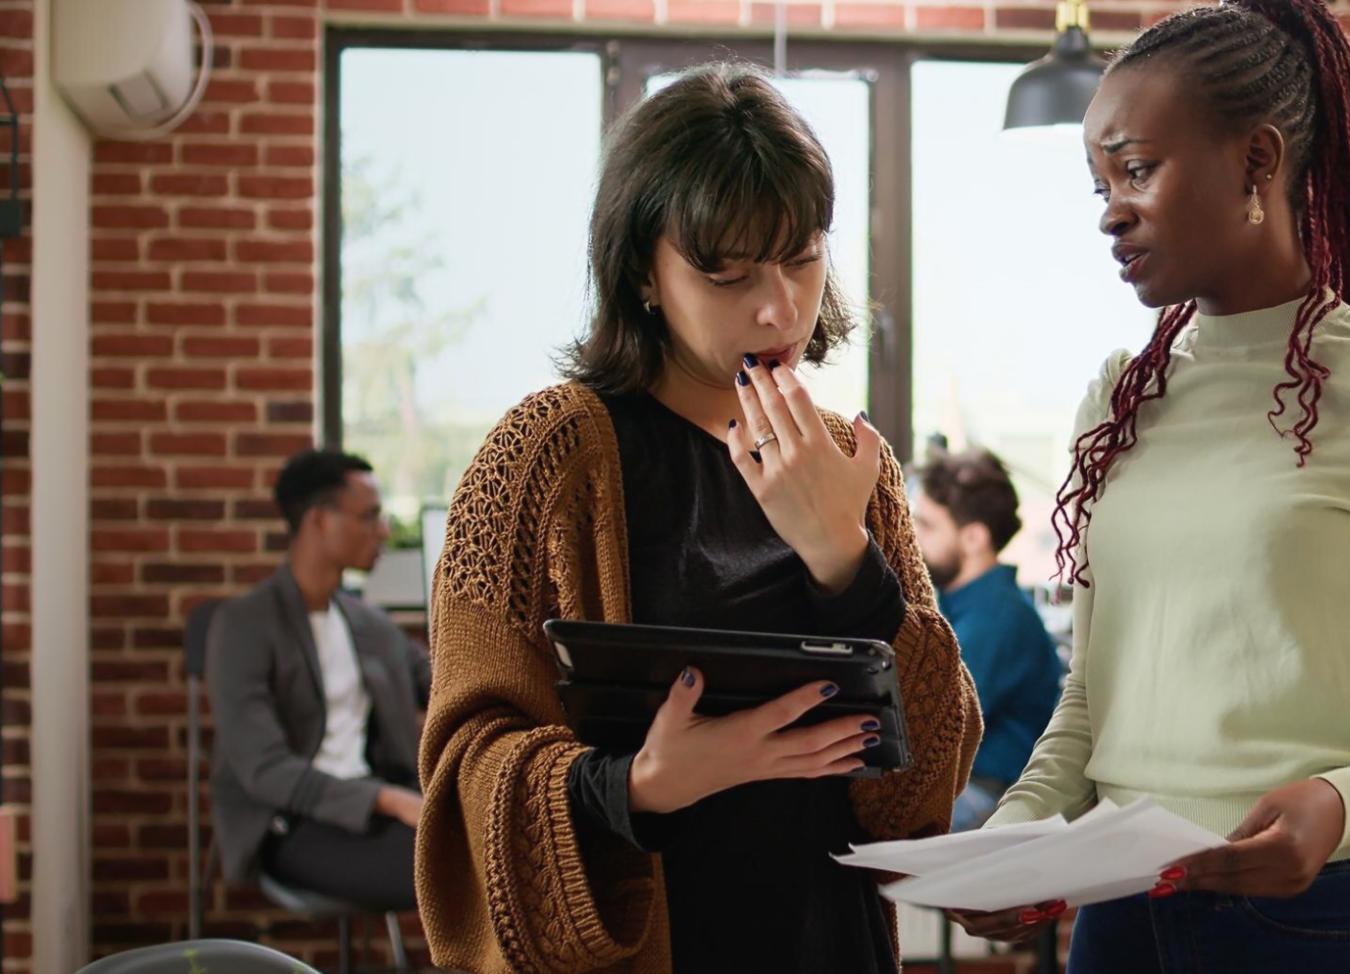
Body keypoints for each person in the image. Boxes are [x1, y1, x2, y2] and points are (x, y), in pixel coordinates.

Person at [947, 1, 1350, 969]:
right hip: (1120, 921)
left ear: (1257, 161)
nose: (1110, 209)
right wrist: (1017, 834)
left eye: (1137, 169)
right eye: (1098, 182)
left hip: (1325, 922)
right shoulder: (1117, 399)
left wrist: (1344, 800)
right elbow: (1093, 701)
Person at [414, 63, 980, 974]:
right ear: (644, 270)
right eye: (728, 274)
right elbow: (462, 778)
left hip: (828, 940)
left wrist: (844, 554)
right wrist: (636, 786)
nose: (779, 306)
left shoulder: (850, 463)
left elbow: (924, 787)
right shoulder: (543, 458)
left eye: (802, 257)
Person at [207, 449, 430, 910]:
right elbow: (265, 770)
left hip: (380, 811)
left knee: (495, 853)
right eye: (369, 516)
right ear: (319, 521)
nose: (384, 530)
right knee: (455, 871)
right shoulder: (244, 625)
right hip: (295, 823)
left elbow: (442, 681)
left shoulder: (368, 624)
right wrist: (389, 800)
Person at [912, 448, 1066, 832]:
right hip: (965, 783)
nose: (913, 535)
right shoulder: (955, 601)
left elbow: (929, 730)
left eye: (927, 526)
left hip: (991, 792)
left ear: (974, 537)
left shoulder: (997, 618)